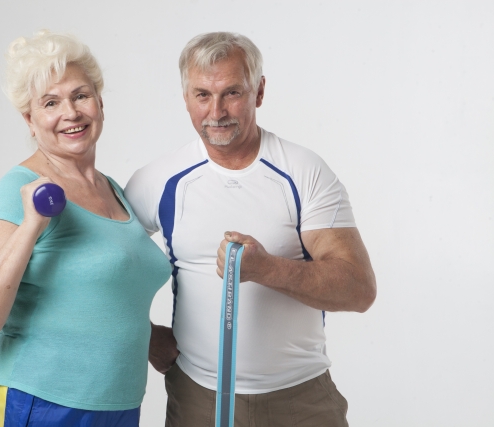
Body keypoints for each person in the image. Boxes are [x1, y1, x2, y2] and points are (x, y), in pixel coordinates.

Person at [124, 32, 377, 427]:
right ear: (186, 97)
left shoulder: (303, 171)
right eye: (202, 95)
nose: (217, 111)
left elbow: (359, 289)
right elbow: (102, 272)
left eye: (232, 93)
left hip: (302, 398)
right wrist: (146, 336)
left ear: (259, 92)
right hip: (198, 398)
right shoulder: (158, 180)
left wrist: (266, 269)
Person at [0, 30, 171, 427]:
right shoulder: (17, 191)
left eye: (80, 95)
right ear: (30, 119)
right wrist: (31, 226)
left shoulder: (114, 190)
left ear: (100, 103)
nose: (70, 113)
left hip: (118, 406)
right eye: (51, 103)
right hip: (41, 403)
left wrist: (150, 338)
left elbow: (95, 297)